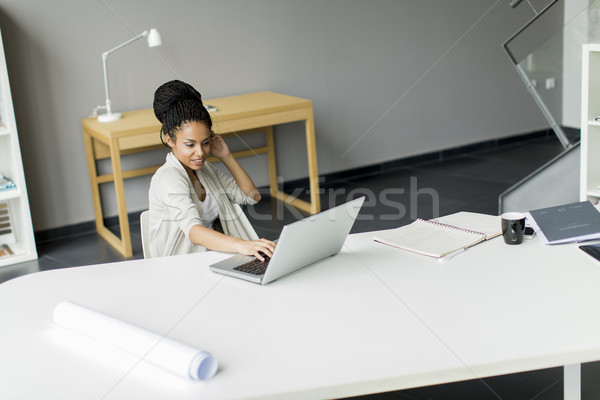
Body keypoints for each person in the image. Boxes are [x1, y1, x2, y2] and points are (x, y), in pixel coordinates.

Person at [148, 80, 276, 259]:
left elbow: (252, 196)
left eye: (205, 143)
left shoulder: (205, 170)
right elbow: (193, 231)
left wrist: (226, 156)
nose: (200, 153)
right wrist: (243, 246)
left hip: (215, 257)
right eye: (190, 144)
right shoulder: (168, 178)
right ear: (170, 140)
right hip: (183, 267)